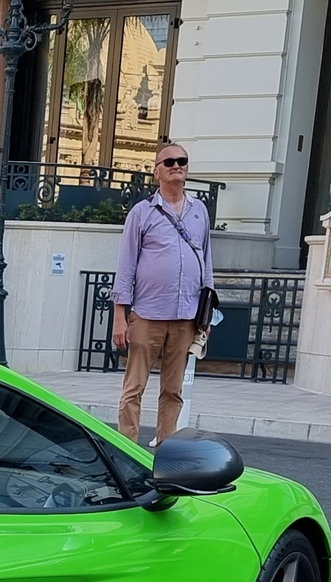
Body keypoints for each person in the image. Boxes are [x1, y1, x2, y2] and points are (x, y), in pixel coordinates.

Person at [111, 142, 213, 444]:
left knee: (173, 390)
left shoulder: (199, 212)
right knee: (134, 387)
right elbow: (126, 264)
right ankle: (127, 449)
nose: (176, 166)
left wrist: (206, 313)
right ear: (157, 172)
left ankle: (166, 452)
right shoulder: (142, 213)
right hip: (148, 314)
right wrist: (120, 315)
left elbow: (206, 261)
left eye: (182, 161)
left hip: (185, 316)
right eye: (169, 162)